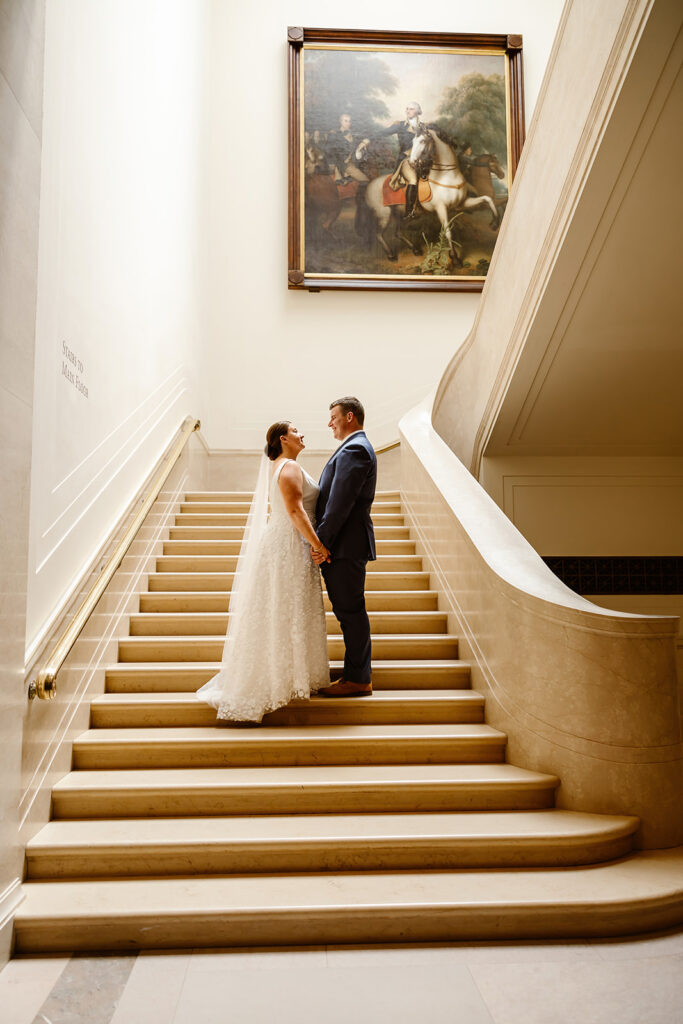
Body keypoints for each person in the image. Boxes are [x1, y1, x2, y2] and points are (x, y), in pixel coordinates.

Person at [196, 421, 330, 722]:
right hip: (289, 544)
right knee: (287, 607)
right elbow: (295, 511)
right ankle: (282, 677)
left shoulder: (280, 466)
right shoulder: (289, 467)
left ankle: (287, 674)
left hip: (284, 541)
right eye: (296, 431)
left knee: (284, 608)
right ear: (283, 438)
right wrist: (318, 545)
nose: (302, 434)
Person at [313, 397, 377, 697]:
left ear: (349, 417)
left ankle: (358, 679)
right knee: (348, 611)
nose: (330, 423)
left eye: (333, 417)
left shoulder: (355, 449)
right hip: (345, 545)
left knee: (350, 612)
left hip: (345, 546)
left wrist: (321, 543)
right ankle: (357, 674)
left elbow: (340, 503)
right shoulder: (354, 448)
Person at [379, 101, 428, 219]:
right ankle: (409, 212)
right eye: (407, 109)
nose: (407, 111)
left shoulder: (424, 126)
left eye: (411, 109)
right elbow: (382, 133)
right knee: (413, 179)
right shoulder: (400, 125)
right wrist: (366, 139)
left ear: (417, 111)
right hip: (405, 160)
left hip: (422, 160)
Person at [326, 113, 370, 186]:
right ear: (340, 121)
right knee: (366, 181)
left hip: (355, 161)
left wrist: (363, 144)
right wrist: (335, 164)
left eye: (349, 121)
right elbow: (328, 150)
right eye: (345, 121)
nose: (348, 123)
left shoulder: (353, 133)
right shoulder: (334, 134)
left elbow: (360, 144)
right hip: (344, 164)